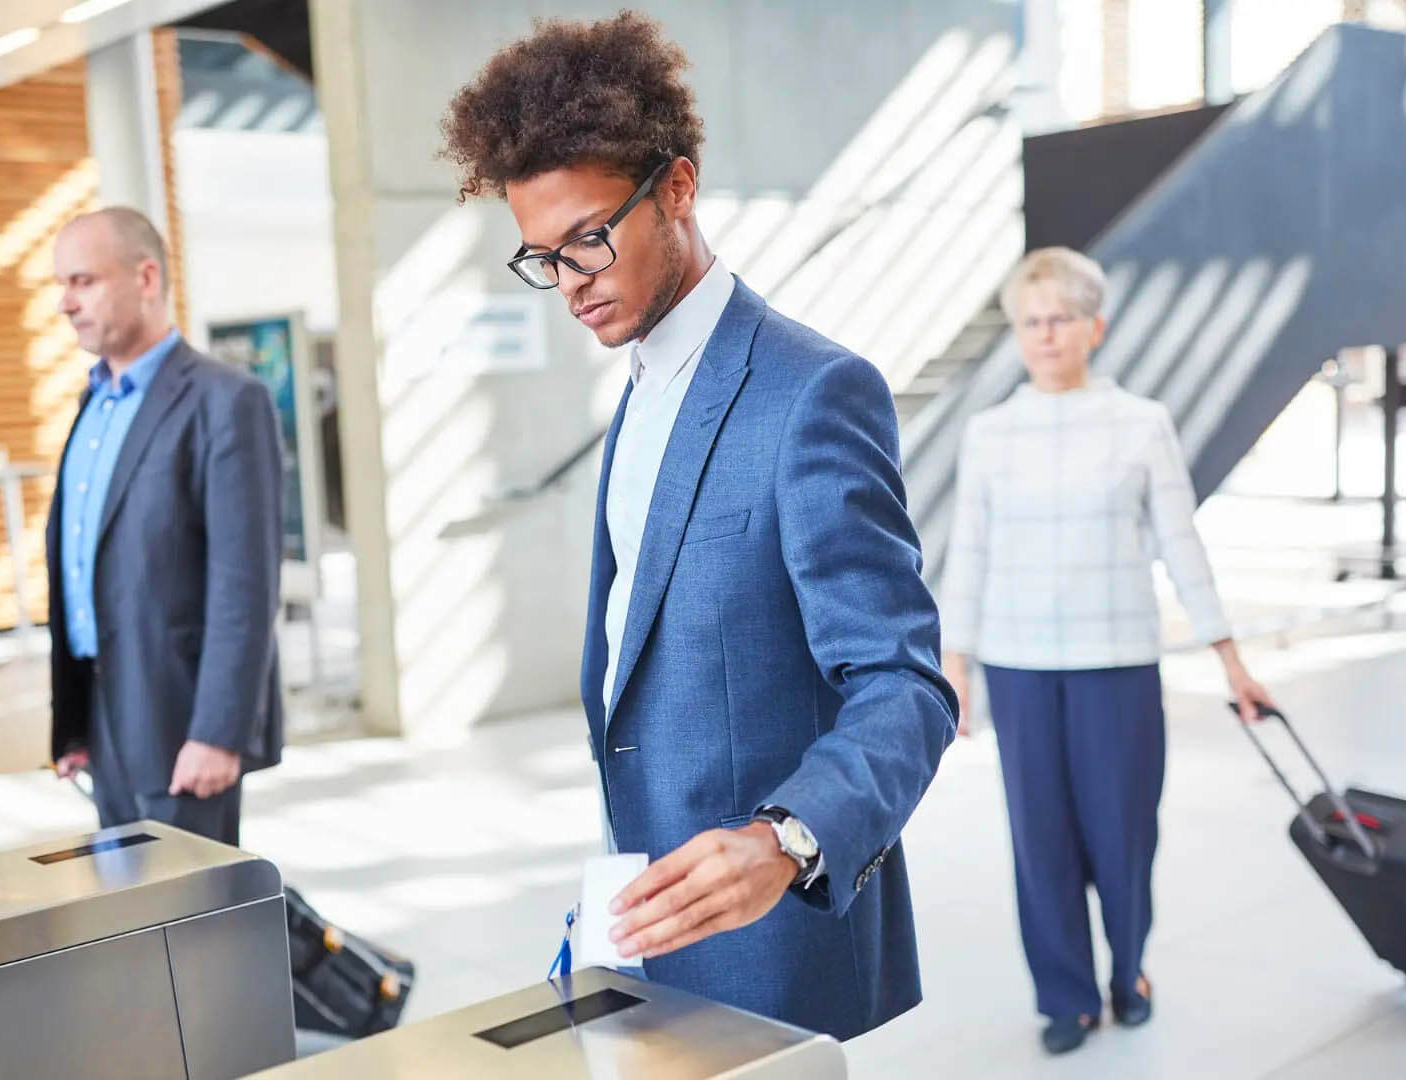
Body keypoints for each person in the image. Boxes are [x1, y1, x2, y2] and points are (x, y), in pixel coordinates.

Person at [440, 13, 958, 1040]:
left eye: (589, 237)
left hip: (773, 932)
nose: (571, 281)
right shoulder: (641, 391)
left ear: (676, 188)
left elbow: (905, 682)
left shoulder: (812, 395)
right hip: (647, 921)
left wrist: (788, 839)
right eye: (543, 258)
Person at [938, 246, 1277, 1055]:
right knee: (1041, 839)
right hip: (1020, 670)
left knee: (1123, 834)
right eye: (1030, 322)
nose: (1045, 335)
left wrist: (1229, 656)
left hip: (1117, 664)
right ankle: (1066, 996)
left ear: (1095, 327)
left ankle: (1130, 972)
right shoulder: (989, 433)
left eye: (1060, 319)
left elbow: (1180, 543)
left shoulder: (1142, 423)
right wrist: (956, 667)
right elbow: (969, 554)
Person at [46, 207, 285, 846]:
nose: (66, 303)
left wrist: (218, 732)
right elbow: (83, 564)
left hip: (180, 715)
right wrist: (74, 724)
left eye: (83, 282)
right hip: (102, 712)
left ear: (146, 278)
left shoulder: (226, 402)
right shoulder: (91, 405)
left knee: (192, 927)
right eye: (61, 286)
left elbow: (246, 585)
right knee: (130, 914)